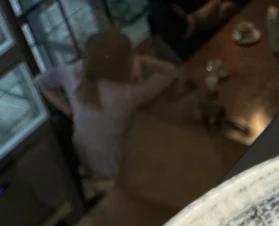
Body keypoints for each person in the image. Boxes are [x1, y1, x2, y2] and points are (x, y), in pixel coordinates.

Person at [35, 28, 179, 181]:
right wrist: (142, 60)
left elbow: (40, 82)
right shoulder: (126, 95)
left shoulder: (74, 72)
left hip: (87, 162)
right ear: (121, 65)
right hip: (117, 171)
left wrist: (69, 110)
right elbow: (171, 72)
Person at [148, 0, 239, 61]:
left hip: (227, 33)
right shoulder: (159, 4)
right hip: (203, 55)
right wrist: (213, 6)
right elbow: (184, 28)